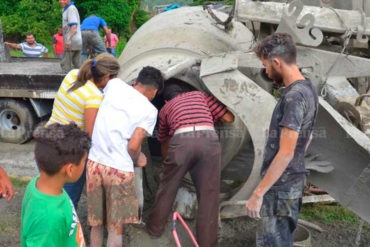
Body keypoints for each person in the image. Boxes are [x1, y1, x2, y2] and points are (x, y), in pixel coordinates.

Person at [245, 33, 318, 247]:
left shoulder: (294, 97)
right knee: (283, 240)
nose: (266, 72)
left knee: (272, 243)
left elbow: (286, 153)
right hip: (292, 181)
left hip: (280, 188)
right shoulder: (309, 88)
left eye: (266, 66)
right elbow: (308, 136)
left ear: (276, 62)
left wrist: (258, 194)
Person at [146, 84, 235, 247]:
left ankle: (154, 229)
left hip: (181, 143)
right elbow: (229, 118)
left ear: (165, 100)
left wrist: (169, 166)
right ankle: (207, 243)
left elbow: (165, 142)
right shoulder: (200, 96)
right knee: (209, 195)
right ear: (185, 92)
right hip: (209, 141)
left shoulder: (165, 109)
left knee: (167, 188)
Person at [87, 66, 164, 247]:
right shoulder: (149, 111)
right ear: (154, 91)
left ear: (137, 81)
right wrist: (138, 159)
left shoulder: (114, 85)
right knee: (116, 226)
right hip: (119, 170)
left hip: (95, 163)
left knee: (96, 224)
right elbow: (133, 145)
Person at [46, 53, 120, 208]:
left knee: (49, 192)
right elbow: (91, 135)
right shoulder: (94, 97)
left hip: (46, 143)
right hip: (67, 154)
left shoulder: (73, 74)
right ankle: (64, 230)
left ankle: (45, 223)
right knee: (67, 202)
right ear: (107, 76)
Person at [21, 123, 90, 247]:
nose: (85, 165)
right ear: (70, 169)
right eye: (84, 161)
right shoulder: (49, 219)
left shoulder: (39, 182)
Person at [59, 0, 82, 73]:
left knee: (66, 65)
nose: (60, 1)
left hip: (72, 40)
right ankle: (80, 79)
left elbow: (74, 26)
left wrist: (68, 39)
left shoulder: (71, 8)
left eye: (63, 0)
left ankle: (64, 80)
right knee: (77, 63)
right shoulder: (66, 9)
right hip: (76, 40)